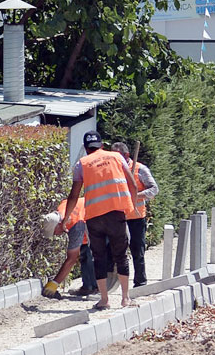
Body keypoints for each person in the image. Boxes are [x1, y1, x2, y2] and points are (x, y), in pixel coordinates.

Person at [58, 131, 139, 310]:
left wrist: (65, 220)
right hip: (116, 214)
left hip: (94, 217)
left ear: (86, 149)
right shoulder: (116, 157)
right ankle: (125, 298)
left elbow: (73, 195)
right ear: (102, 145)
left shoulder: (82, 164)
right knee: (121, 256)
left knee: (99, 257)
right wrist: (131, 208)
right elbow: (132, 184)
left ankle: (104, 300)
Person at [111, 141, 159, 288]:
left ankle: (140, 283)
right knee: (116, 253)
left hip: (136, 218)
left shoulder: (140, 169)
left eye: (117, 156)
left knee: (137, 252)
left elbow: (154, 189)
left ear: (126, 155)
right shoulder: (113, 170)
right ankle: (113, 284)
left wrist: (135, 195)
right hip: (118, 218)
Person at [41, 197, 95, 299]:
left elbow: (71, 259)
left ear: (59, 224)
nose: (55, 235)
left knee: (90, 256)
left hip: (96, 217)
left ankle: (95, 289)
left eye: (54, 232)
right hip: (88, 213)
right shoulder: (61, 210)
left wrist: (54, 283)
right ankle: (88, 287)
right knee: (84, 252)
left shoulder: (74, 224)